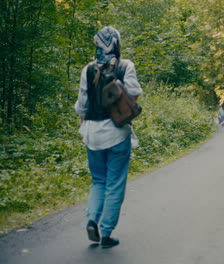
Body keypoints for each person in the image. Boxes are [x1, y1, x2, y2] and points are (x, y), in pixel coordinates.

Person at [74, 26, 142, 247]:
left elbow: (82, 106)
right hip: (116, 133)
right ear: (117, 44)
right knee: (114, 183)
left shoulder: (88, 70)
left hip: (92, 135)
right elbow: (134, 93)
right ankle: (106, 233)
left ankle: (92, 220)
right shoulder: (125, 66)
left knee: (98, 180)